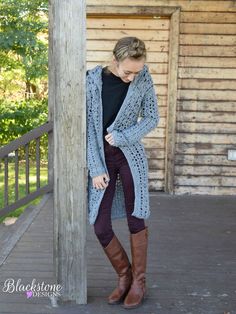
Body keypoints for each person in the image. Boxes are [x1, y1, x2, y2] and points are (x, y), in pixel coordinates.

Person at [86, 36, 159, 309]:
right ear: (114, 61)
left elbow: (151, 117)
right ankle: (124, 275)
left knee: (136, 218)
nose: (131, 77)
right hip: (101, 160)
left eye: (136, 72)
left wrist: (124, 136)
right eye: (127, 71)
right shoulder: (92, 82)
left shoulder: (143, 78)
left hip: (130, 156)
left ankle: (139, 281)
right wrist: (94, 168)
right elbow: (88, 130)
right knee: (100, 225)